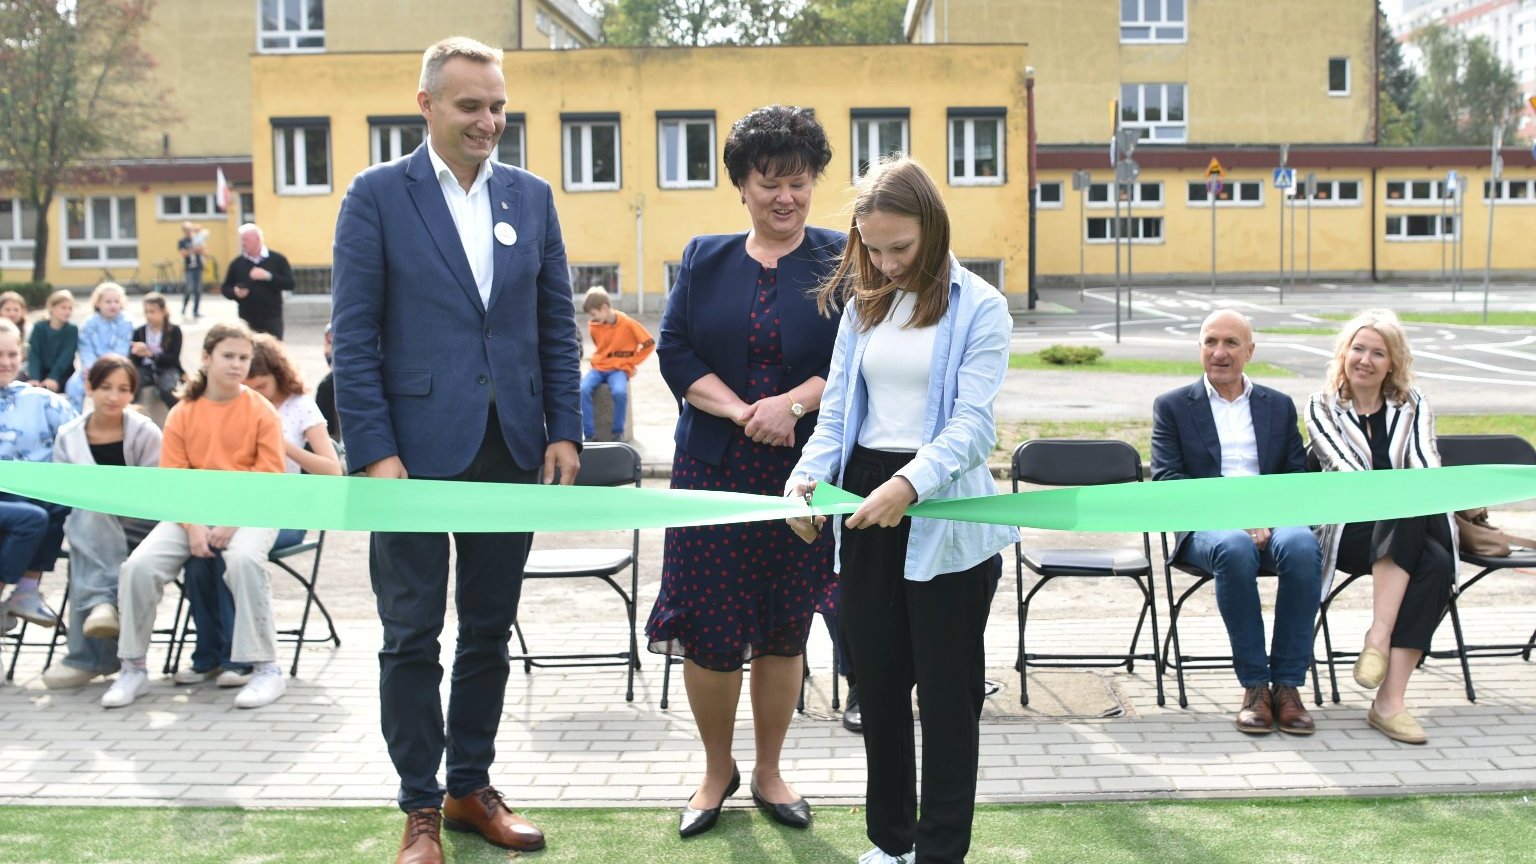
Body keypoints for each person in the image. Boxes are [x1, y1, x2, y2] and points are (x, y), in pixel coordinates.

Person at [332, 36, 581, 864]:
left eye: (498, 105)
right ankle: (419, 811)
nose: (489, 121)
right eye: (471, 105)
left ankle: (468, 787)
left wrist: (563, 428)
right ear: (428, 105)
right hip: (406, 459)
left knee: (487, 629)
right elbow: (355, 338)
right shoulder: (375, 196)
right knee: (410, 636)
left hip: (508, 448)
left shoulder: (532, 197)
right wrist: (373, 453)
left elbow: (556, 328)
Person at [785, 156, 1015, 864]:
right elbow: (837, 415)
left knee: (948, 699)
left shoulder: (983, 306)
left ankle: (940, 852)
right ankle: (891, 844)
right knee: (879, 690)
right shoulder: (862, 306)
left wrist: (911, 485)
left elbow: (974, 428)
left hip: (947, 515)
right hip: (863, 504)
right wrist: (805, 477)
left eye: (899, 248)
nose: (883, 263)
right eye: (871, 247)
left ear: (934, 230)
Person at [645, 104, 841, 840]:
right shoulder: (703, 258)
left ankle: (769, 770)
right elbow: (676, 354)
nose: (785, 197)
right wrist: (743, 412)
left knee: (786, 627)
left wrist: (790, 407)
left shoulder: (841, 259)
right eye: (769, 184)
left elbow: (851, 361)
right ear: (742, 187)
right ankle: (714, 769)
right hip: (712, 470)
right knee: (710, 630)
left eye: (798, 181)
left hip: (803, 476)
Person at [1150, 310, 1322, 736]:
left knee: (1302, 546)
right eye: (1210, 342)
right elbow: (1169, 480)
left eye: (1230, 343)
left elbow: (1296, 478)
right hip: (1208, 529)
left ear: (1250, 351)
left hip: (1274, 520)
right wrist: (1239, 519)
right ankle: (1255, 688)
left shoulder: (1277, 406)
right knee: (1234, 546)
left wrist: (1263, 517)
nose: (1219, 353)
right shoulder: (1172, 406)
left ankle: (1287, 687)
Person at [100, 321, 288, 711]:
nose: (237, 365)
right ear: (206, 358)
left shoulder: (261, 410)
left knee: (242, 559)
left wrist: (229, 524)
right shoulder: (184, 411)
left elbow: (269, 479)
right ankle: (132, 666)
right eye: (229, 356)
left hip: (252, 512)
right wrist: (194, 526)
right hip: (192, 515)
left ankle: (267, 668)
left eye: (243, 358)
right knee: (138, 566)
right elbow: (175, 480)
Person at [1306, 309, 1456, 745]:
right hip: (1350, 530)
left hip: (1410, 524)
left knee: (1436, 560)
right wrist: (1404, 489)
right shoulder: (1321, 405)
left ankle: (1388, 689)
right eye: (1358, 349)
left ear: (1393, 362)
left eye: (1378, 352)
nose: (1365, 360)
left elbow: (1427, 466)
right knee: (1415, 529)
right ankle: (1382, 655)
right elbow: (1347, 471)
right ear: (1344, 353)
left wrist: (1411, 489)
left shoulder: (1414, 403)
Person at [175, 333, 343, 687]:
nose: (254, 392)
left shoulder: (300, 407)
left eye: (262, 385)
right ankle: (208, 653)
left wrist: (284, 446)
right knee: (199, 556)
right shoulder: (229, 403)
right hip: (230, 507)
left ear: (278, 377)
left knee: (225, 551)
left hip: (284, 511)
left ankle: (239, 658)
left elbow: (332, 470)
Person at [42, 355, 162, 689]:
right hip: (91, 525)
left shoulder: (145, 432)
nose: (113, 396)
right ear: (89, 388)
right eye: (105, 387)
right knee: (88, 516)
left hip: (143, 525)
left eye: (123, 389)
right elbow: (64, 494)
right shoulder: (68, 435)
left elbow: (158, 492)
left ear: (132, 393)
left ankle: (87, 655)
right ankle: (103, 610)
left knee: (89, 528)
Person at [0, 319, 77, 632]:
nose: (5, 363)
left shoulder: (42, 400)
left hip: (30, 494)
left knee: (59, 502)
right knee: (32, 517)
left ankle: (26, 591)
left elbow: (80, 437)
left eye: (11, 354)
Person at [579, 286, 654, 441]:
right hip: (599, 368)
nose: (592, 318)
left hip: (619, 370)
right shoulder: (594, 325)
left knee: (619, 392)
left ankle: (618, 433)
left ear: (605, 308)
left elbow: (649, 343)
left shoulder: (627, 323)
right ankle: (590, 435)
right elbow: (599, 347)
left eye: (593, 314)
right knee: (582, 389)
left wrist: (631, 362)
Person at [66, 282, 135, 412]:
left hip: (116, 367)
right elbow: (85, 348)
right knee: (74, 385)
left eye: (116, 301)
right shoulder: (89, 323)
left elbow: (122, 349)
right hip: (91, 368)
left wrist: (106, 369)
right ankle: (75, 420)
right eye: (108, 302)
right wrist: (91, 368)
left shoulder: (126, 322)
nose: (113, 305)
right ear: (98, 303)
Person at [222, 223, 293, 339]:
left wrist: (268, 276)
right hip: (247, 318)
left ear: (258, 239)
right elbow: (225, 288)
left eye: (246, 239)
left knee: (273, 353)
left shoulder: (277, 259)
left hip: (272, 317)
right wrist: (235, 292)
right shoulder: (237, 263)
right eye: (242, 240)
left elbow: (290, 283)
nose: (243, 243)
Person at [130, 292, 186, 409]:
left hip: (167, 368)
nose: (149, 316)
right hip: (145, 369)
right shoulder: (139, 331)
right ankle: (130, 417)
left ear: (163, 311)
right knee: (132, 385)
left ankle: (180, 417)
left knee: (167, 389)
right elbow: (133, 359)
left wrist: (151, 355)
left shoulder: (174, 331)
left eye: (152, 311)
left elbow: (173, 357)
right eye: (146, 312)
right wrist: (135, 351)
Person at [26, 290, 77, 395]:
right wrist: (35, 377)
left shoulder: (71, 329)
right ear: (51, 307)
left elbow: (65, 357)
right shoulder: (39, 327)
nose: (67, 311)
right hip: (39, 372)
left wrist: (53, 377)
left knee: (49, 389)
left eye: (70, 308)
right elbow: (34, 354)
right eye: (63, 308)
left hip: (62, 374)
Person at [178, 221, 207, 319]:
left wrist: (196, 248)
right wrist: (193, 250)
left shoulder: (197, 239)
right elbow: (183, 253)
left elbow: (203, 251)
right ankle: (184, 307)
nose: (189, 232)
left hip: (198, 267)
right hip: (189, 268)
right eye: (187, 230)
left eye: (190, 230)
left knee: (198, 290)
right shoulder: (182, 241)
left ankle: (196, 311)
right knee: (189, 288)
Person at [0, 291, 29, 358]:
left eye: (16, 310)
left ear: (23, 311)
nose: (12, 313)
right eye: (7, 310)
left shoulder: (29, 330)